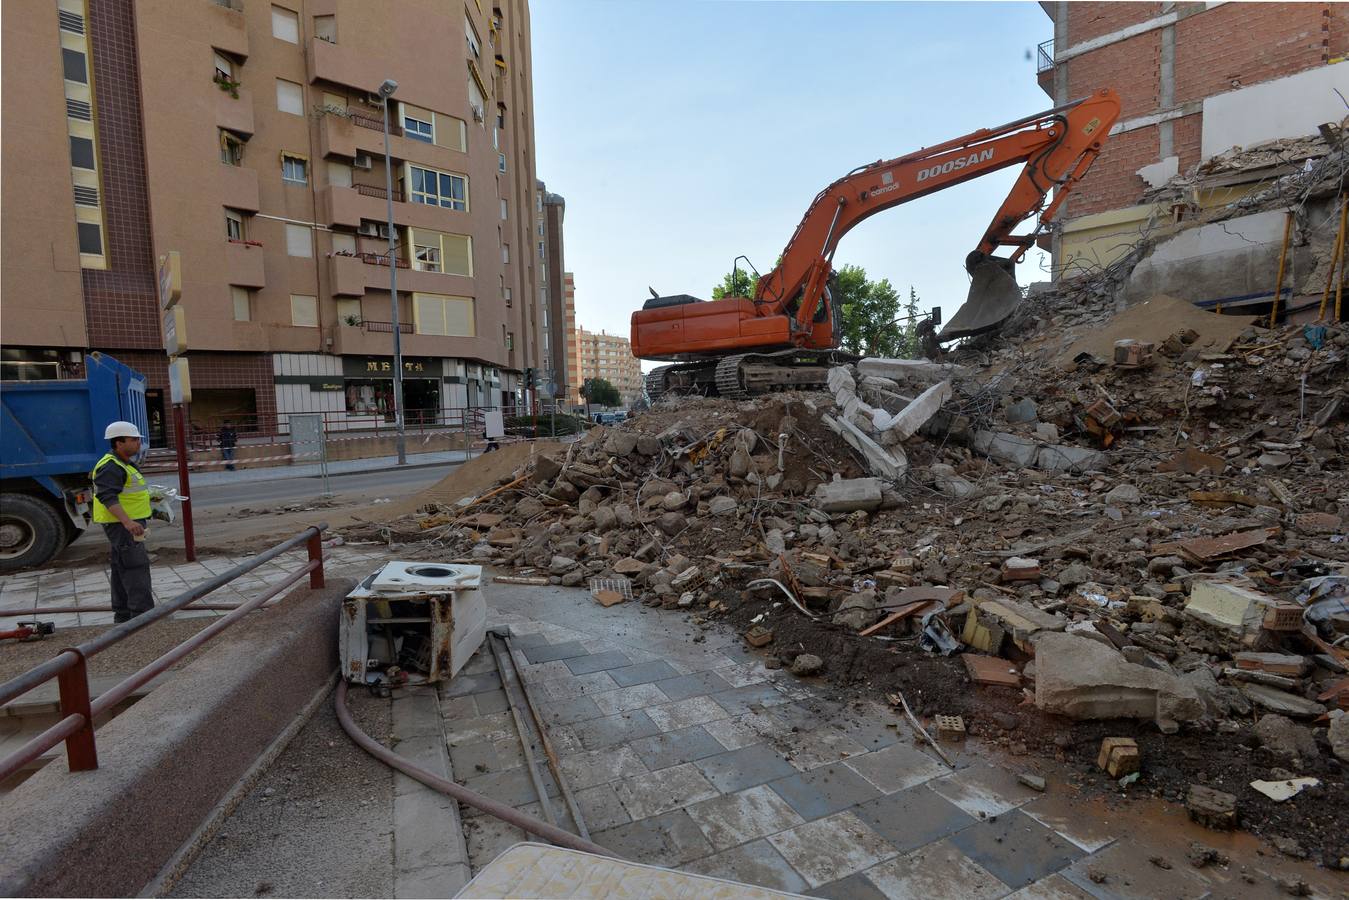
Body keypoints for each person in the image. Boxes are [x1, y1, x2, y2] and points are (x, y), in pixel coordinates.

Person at [91, 422, 154, 624]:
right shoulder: (111, 466)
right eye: (134, 439)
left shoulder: (123, 463)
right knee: (136, 566)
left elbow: (129, 492)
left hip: (127, 524)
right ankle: (142, 615)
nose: (138, 443)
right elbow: (107, 496)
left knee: (121, 567)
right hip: (124, 526)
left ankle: (124, 613)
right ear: (119, 442)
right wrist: (127, 522)